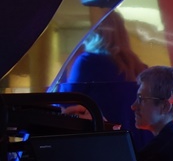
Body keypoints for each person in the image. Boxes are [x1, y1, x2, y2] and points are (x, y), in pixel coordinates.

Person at [58, 10, 151, 147]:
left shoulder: (87, 62)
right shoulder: (140, 67)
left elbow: (67, 105)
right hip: (138, 145)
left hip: (103, 143)